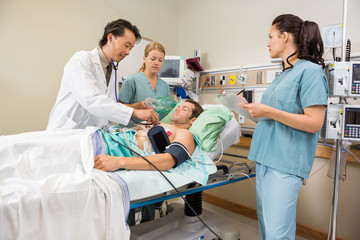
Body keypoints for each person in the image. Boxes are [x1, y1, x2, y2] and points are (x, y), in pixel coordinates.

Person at [239, 14, 329, 240]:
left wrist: (268, 111)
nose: (268, 42)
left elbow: (314, 122)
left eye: (271, 36)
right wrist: (249, 110)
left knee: (277, 234)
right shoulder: (284, 74)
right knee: (268, 230)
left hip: (285, 163)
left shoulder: (311, 72)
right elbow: (276, 117)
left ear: (285, 36)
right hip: (266, 158)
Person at [47, 19, 159, 131]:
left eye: (130, 48)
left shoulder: (112, 70)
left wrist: (116, 130)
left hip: (88, 135)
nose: (128, 52)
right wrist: (135, 112)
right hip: (66, 130)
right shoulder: (82, 60)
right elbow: (91, 100)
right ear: (110, 38)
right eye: (126, 45)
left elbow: (107, 109)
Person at [118, 42, 170, 110]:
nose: (156, 63)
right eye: (153, 59)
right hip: (136, 121)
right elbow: (119, 108)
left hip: (158, 121)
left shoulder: (165, 86)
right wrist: (138, 106)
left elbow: (166, 110)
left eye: (160, 60)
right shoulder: (132, 80)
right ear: (144, 59)